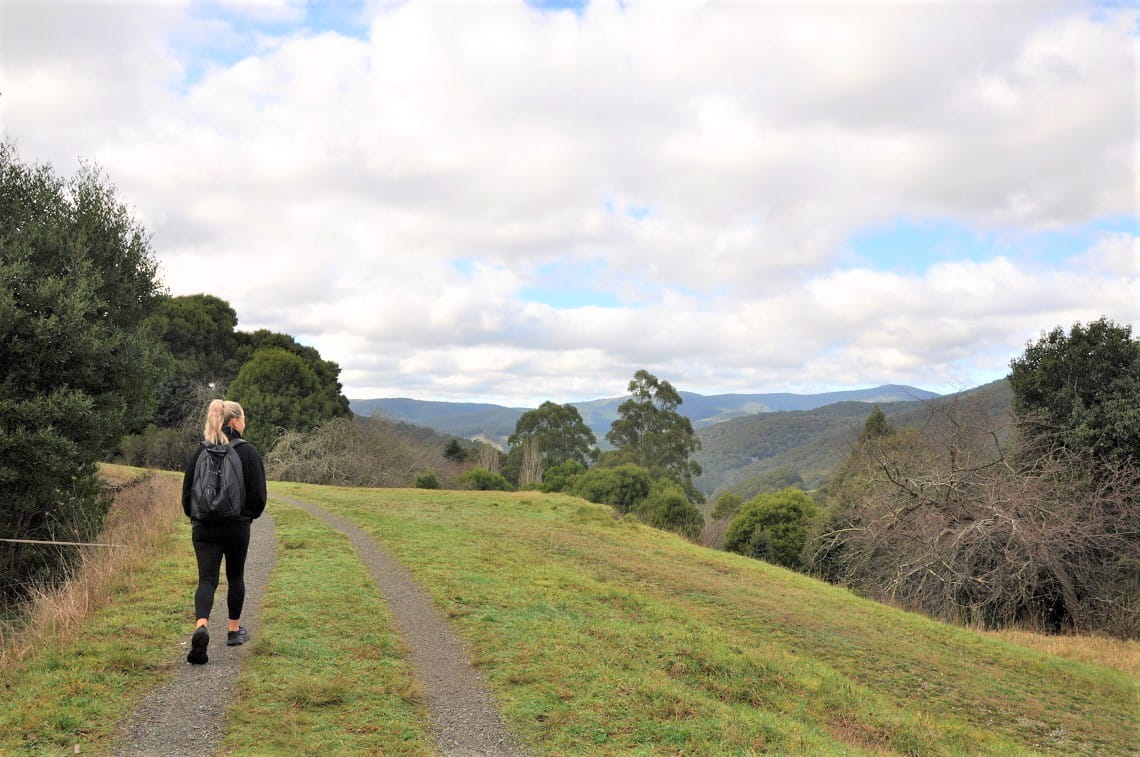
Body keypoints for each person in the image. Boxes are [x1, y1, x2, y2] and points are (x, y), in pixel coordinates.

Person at [181, 399, 267, 665]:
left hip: (204, 526)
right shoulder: (247, 452)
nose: (245, 422)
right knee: (235, 575)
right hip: (236, 526)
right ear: (234, 421)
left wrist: (197, 518)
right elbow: (258, 497)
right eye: (243, 417)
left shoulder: (200, 451)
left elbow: (187, 496)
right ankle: (233, 630)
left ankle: (202, 625)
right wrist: (246, 517)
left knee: (206, 580)